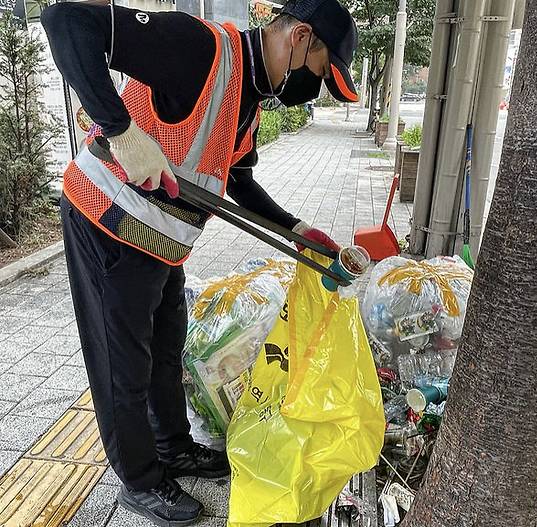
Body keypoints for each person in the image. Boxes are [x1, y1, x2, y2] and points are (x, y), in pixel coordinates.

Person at [40, 1, 359, 525]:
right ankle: (139, 481)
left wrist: (297, 231)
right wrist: (119, 130)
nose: (313, 86)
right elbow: (65, 22)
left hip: (161, 242)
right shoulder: (199, 49)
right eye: (321, 71)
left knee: (167, 349)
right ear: (300, 37)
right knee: (124, 365)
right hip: (108, 221)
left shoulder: (249, 93)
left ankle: (173, 449)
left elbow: (239, 182)